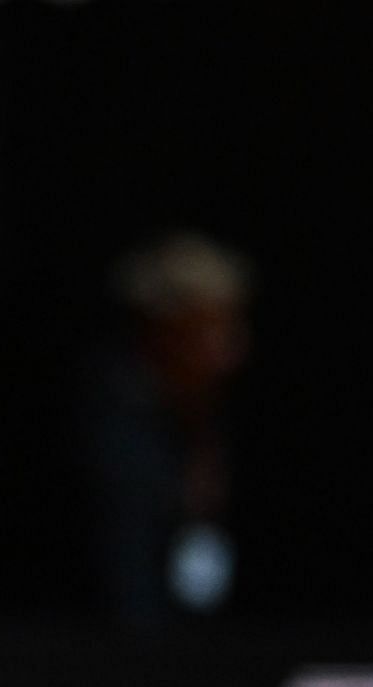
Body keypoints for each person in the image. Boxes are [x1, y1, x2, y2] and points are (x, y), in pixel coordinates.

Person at [74, 230, 254, 626]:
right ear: (164, 332)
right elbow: (125, 586)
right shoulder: (109, 428)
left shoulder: (210, 412)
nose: (232, 350)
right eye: (210, 330)